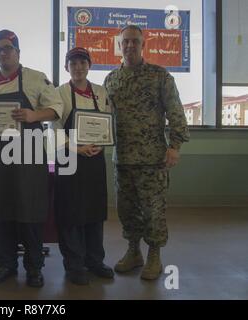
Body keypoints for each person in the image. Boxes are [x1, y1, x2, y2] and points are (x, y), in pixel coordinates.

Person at [0, 30, 63, 288]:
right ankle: (4, 264)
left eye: (7, 48)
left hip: (29, 155)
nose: (3, 53)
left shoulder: (36, 78)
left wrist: (33, 116)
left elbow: (56, 109)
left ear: (18, 52)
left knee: (30, 211)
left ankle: (34, 267)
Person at [104, 25, 190, 280]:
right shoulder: (111, 80)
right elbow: (102, 118)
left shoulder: (160, 76)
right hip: (123, 159)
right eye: (125, 42)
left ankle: (154, 255)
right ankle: (134, 251)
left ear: (143, 45)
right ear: (119, 46)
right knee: (126, 210)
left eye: (134, 41)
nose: (130, 45)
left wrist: (175, 146)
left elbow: (176, 112)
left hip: (153, 159)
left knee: (153, 210)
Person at [54, 47, 114, 285]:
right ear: (67, 67)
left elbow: (107, 123)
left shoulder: (101, 92)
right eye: (73, 63)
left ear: (89, 65)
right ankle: (74, 264)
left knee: (94, 212)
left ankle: (95, 261)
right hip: (69, 159)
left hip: (94, 160)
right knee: (70, 214)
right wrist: (75, 147)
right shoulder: (58, 93)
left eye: (82, 62)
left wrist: (101, 143)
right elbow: (54, 128)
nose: (78, 67)